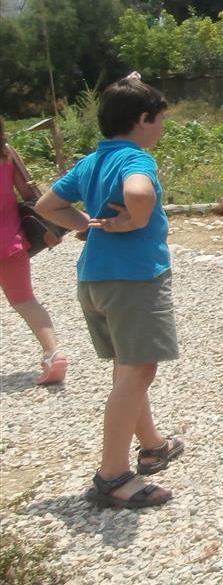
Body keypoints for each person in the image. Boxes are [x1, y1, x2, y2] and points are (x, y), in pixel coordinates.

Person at [34, 75, 184, 508]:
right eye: (160, 120)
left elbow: (46, 206)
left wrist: (86, 224)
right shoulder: (135, 159)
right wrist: (134, 220)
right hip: (133, 280)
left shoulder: (92, 161)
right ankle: (113, 476)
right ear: (143, 119)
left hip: (94, 279)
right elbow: (138, 191)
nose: (162, 128)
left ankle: (153, 445)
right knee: (138, 372)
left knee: (127, 366)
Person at [1, 121, 68, 385]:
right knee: (25, 300)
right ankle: (53, 354)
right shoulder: (6, 152)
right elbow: (29, 193)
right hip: (10, 241)